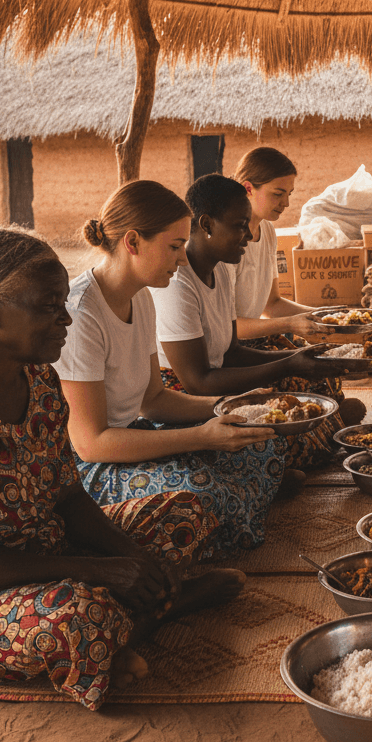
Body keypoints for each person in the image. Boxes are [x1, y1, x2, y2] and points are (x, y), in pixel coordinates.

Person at [0, 226, 244, 711]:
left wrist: (133, 559)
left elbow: (66, 494)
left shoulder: (41, 380)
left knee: (185, 512)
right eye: (47, 306)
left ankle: (129, 621)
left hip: (38, 548)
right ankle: (148, 615)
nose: (65, 318)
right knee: (75, 618)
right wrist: (101, 571)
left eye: (63, 302)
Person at [57, 180, 281, 557]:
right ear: (133, 243)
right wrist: (202, 437)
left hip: (135, 434)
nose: (182, 259)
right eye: (175, 246)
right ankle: (217, 528)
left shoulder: (141, 297)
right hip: (87, 470)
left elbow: (154, 399)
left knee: (261, 450)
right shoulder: (82, 315)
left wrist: (232, 406)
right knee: (198, 493)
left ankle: (227, 519)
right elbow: (91, 443)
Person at [153, 174, 345, 470]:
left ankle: (312, 446)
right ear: (206, 225)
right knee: (282, 437)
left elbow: (231, 353)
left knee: (303, 399)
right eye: (239, 226)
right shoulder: (178, 284)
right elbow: (198, 382)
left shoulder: (221, 271)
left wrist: (296, 357)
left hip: (215, 380)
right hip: (186, 395)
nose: (248, 236)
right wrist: (287, 364)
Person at [228, 146, 364, 437]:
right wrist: (292, 325)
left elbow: (272, 304)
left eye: (289, 194)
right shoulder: (226, 242)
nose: (286, 203)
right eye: (278, 194)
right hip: (233, 347)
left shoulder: (268, 233)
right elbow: (227, 329)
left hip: (259, 338)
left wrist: (329, 317)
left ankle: (330, 425)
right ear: (247, 188)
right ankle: (325, 431)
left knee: (322, 365)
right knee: (296, 382)